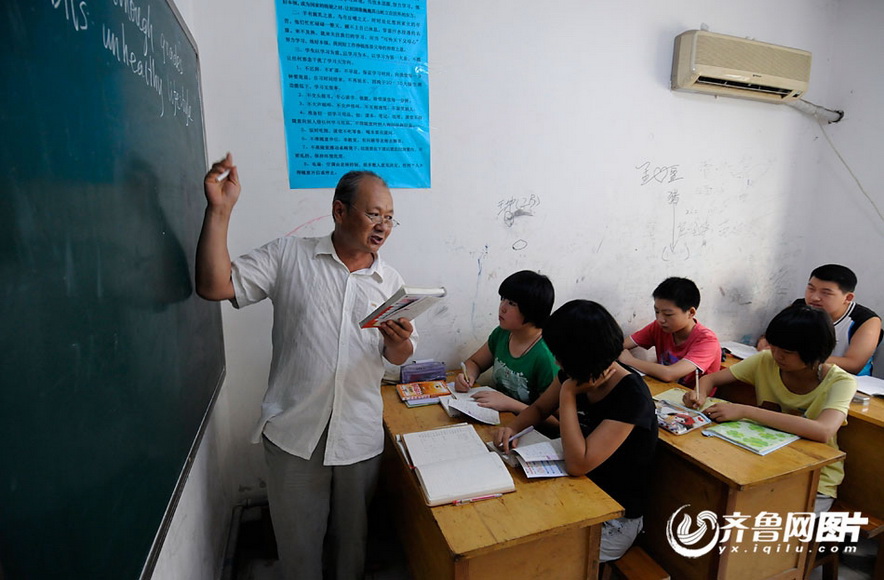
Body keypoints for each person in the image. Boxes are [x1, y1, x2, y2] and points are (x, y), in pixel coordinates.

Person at [195, 154, 416, 580]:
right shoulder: (289, 256)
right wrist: (219, 211)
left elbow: (398, 357)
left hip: (357, 434)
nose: (384, 226)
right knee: (299, 549)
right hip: (295, 433)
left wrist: (400, 343)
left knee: (352, 543)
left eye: (390, 218)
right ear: (339, 211)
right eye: (374, 214)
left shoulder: (390, 282)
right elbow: (213, 285)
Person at [493, 300, 658, 562]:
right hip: (575, 493)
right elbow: (538, 409)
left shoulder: (631, 397)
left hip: (615, 518)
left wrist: (568, 394)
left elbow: (578, 464)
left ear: (582, 355)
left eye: (561, 355)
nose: (557, 363)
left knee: (535, 560)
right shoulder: (579, 371)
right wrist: (512, 427)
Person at [686, 304, 857, 513]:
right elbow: (710, 379)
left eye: (786, 351)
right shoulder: (766, 360)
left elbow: (823, 430)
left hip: (815, 478)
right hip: (763, 462)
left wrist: (746, 411)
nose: (777, 355)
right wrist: (699, 394)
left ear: (815, 351)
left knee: (778, 529)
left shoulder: (841, 382)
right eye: (773, 346)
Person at [454, 270, 558, 413]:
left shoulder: (545, 356)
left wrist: (510, 404)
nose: (502, 308)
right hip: (496, 416)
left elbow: (555, 421)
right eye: (502, 299)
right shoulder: (503, 333)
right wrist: (468, 377)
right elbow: (475, 362)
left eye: (511, 303)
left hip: (529, 429)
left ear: (532, 309)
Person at [757, 264, 882, 375]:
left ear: (848, 297)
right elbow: (773, 337)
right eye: (811, 289)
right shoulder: (800, 307)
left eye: (826, 293)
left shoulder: (866, 320)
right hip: (802, 374)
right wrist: (766, 341)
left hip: (851, 384)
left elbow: (853, 365)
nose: (814, 297)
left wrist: (799, 357)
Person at [619, 277, 721, 388]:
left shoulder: (707, 341)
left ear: (691, 313)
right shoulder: (659, 327)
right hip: (663, 391)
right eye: (657, 311)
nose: (660, 319)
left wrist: (629, 360)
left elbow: (669, 374)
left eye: (668, 314)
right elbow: (620, 346)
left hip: (691, 400)